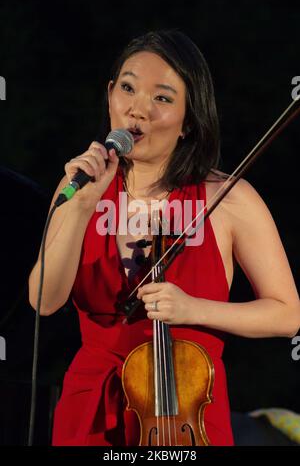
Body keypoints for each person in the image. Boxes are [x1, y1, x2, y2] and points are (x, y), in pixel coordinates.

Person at [28, 29, 300, 446]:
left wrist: (194, 309)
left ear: (189, 120)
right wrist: (81, 206)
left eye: (162, 98)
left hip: (185, 414)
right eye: (128, 88)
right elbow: (44, 300)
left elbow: (287, 314)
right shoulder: (79, 188)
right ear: (110, 95)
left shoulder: (227, 197)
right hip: (90, 413)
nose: (137, 109)